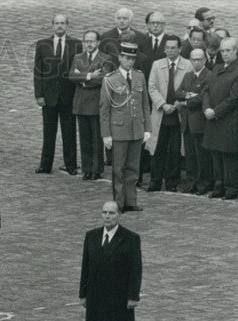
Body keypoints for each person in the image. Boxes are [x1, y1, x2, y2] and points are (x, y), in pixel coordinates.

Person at [79, 201, 142, 321]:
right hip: (97, 294)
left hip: (119, 296)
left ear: (118, 216)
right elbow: (86, 267)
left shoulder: (130, 238)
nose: (107, 216)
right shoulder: (92, 236)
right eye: (104, 213)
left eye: (112, 213)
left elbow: (135, 269)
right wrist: (83, 293)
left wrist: (133, 296)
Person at [100, 40, 152, 212]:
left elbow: (145, 104)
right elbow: (105, 109)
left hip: (136, 129)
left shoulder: (139, 76)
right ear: (120, 58)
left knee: (133, 168)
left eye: (132, 59)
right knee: (118, 169)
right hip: (119, 130)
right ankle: (119, 203)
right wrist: (106, 134)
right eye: (127, 58)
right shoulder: (110, 79)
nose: (130, 62)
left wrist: (147, 128)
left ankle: (131, 201)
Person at [34, 15, 80, 175]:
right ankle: (45, 165)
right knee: (48, 132)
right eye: (57, 23)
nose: (59, 26)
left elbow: (79, 69)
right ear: (52, 25)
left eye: (62, 23)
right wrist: (39, 95)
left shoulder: (76, 44)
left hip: (68, 95)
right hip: (49, 96)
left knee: (69, 132)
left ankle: (71, 165)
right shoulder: (42, 44)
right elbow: (38, 71)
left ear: (67, 25)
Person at [202, 37, 238, 199]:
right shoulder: (217, 68)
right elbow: (206, 90)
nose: (225, 54)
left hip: (227, 120)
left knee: (228, 156)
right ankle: (218, 186)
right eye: (223, 51)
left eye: (228, 51)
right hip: (212, 118)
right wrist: (206, 107)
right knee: (215, 154)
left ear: (235, 51)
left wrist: (216, 112)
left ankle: (230, 188)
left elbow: (233, 98)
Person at [146, 36, 191, 192]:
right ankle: (155, 180)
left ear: (179, 49)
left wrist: (179, 104)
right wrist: (162, 104)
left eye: (173, 48)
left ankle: (172, 182)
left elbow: (190, 90)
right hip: (161, 114)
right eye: (167, 48)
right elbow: (152, 87)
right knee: (158, 148)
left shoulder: (188, 65)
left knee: (175, 149)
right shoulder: (157, 65)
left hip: (178, 114)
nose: (170, 50)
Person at [69, 30, 114, 181]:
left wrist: (81, 78)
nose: (89, 44)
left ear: (98, 42)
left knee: (96, 138)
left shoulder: (105, 58)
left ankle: (96, 169)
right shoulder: (77, 57)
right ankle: (86, 169)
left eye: (92, 41)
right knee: (84, 138)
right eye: (86, 41)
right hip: (81, 103)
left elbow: (103, 79)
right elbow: (71, 76)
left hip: (96, 103)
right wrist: (89, 75)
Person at [177, 48, 213, 193]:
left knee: (202, 155)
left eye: (199, 59)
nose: (196, 62)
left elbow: (202, 97)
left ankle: (203, 183)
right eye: (194, 59)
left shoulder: (209, 75)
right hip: (186, 122)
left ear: (204, 60)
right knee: (190, 155)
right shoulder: (187, 75)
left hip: (200, 122)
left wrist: (186, 101)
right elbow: (177, 92)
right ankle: (191, 182)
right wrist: (187, 95)